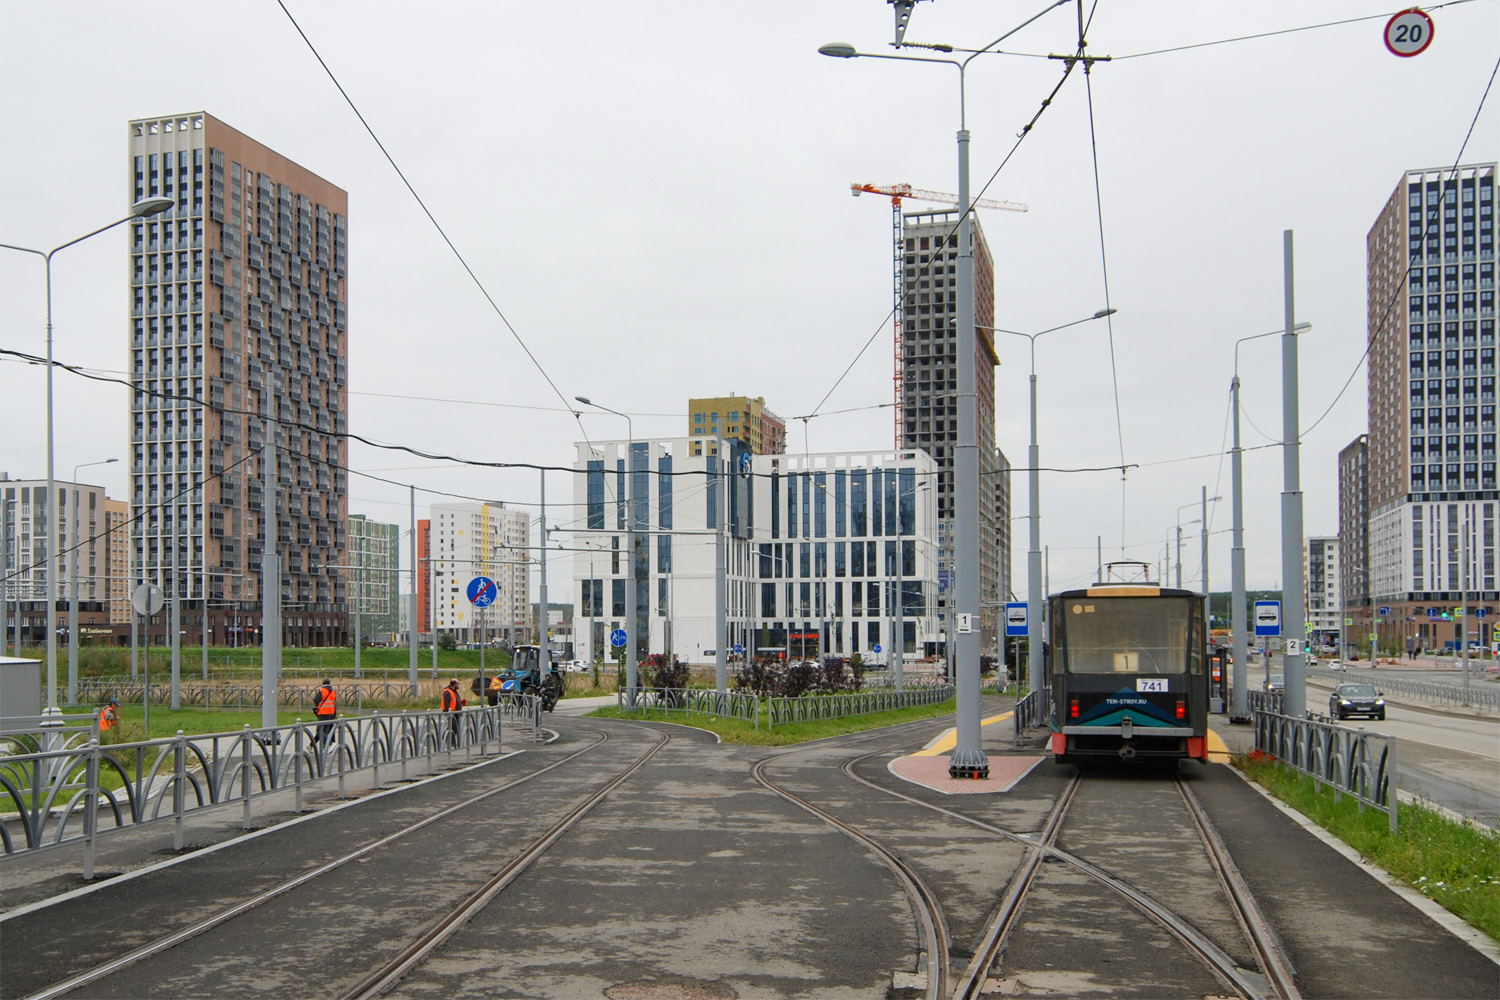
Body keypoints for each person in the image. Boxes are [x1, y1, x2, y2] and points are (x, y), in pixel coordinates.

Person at [313, 678, 337, 748]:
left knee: (320, 731)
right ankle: (312, 745)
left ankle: (330, 744)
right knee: (329, 729)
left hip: (323, 713)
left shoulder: (322, 691)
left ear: (323, 683)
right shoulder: (333, 692)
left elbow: (316, 700)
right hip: (332, 713)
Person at [441, 677, 465, 744]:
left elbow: (455, 700)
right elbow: (446, 703)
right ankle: (450, 740)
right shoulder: (447, 692)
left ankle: (447, 739)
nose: (458, 685)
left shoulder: (454, 691)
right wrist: (449, 712)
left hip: (456, 712)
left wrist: (461, 702)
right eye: (457, 684)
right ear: (454, 684)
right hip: (452, 712)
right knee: (453, 726)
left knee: (454, 726)